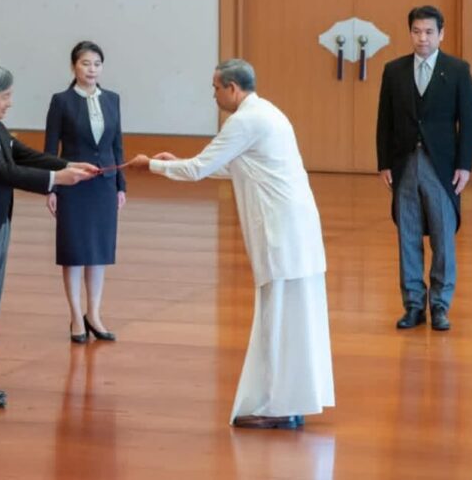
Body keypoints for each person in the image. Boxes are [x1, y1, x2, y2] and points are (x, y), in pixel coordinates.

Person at [130, 59, 334, 429]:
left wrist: (154, 166)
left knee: (279, 318)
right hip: (296, 225)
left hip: (282, 229)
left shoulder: (244, 120)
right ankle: (290, 402)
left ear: (232, 88)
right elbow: (231, 166)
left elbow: (200, 170)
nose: (213, 95)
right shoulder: (267, 112)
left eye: (215, 88)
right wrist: (181, 161)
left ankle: (279, 407)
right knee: (292, 317)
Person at [0, 63, 97, 407]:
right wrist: (58, 180)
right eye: (5, 96)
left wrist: (66, 165)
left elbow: (22, 155)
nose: (10, 103)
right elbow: (4, 172)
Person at [376, 5, 472, 331]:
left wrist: (464, 165)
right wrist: (383, 163)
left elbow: (469, 122)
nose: (423, 38)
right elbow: (384, 121)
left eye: (429, 32)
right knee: (407, 236)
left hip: (442, 166)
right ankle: (414, 305)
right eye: (417, 31)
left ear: (441, 34)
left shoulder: (458, 70)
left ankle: (440, 305)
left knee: (443, 237)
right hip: (405, 163)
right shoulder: (394, 70)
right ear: (410, 33)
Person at [44, 41, 126, 343]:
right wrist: (51, 185)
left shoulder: (113, 100)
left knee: (99, 252)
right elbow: (51, 148)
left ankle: (95, 313)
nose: (92, 69)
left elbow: (117, 146)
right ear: (73, 67)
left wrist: (121, 185)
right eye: (85, 63)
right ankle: (76, 315)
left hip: (104, 184)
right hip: (72, 184)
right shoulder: (61, 101)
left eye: (97, 64)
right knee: (74, 251)